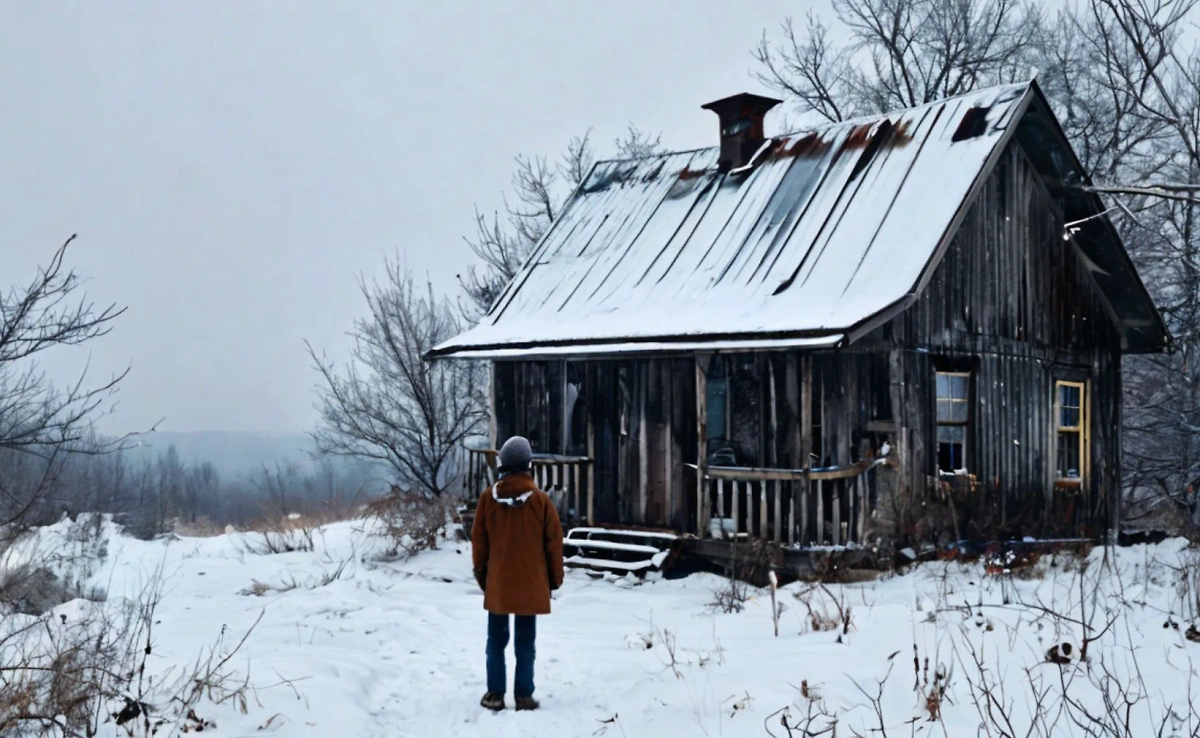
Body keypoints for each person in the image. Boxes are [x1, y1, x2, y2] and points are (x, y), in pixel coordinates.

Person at [471, 436, 564, 712]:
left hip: (498, 583)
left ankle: (495, 694)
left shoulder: (488, 499)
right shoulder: (541, 502)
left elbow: (479, 543)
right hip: (531, 585)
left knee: (495, 641)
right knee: (525, 642)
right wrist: (554, 579)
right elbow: (554, 544)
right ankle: (523, 695)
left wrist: (483, 577)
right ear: (528, 465)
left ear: (502, 465)